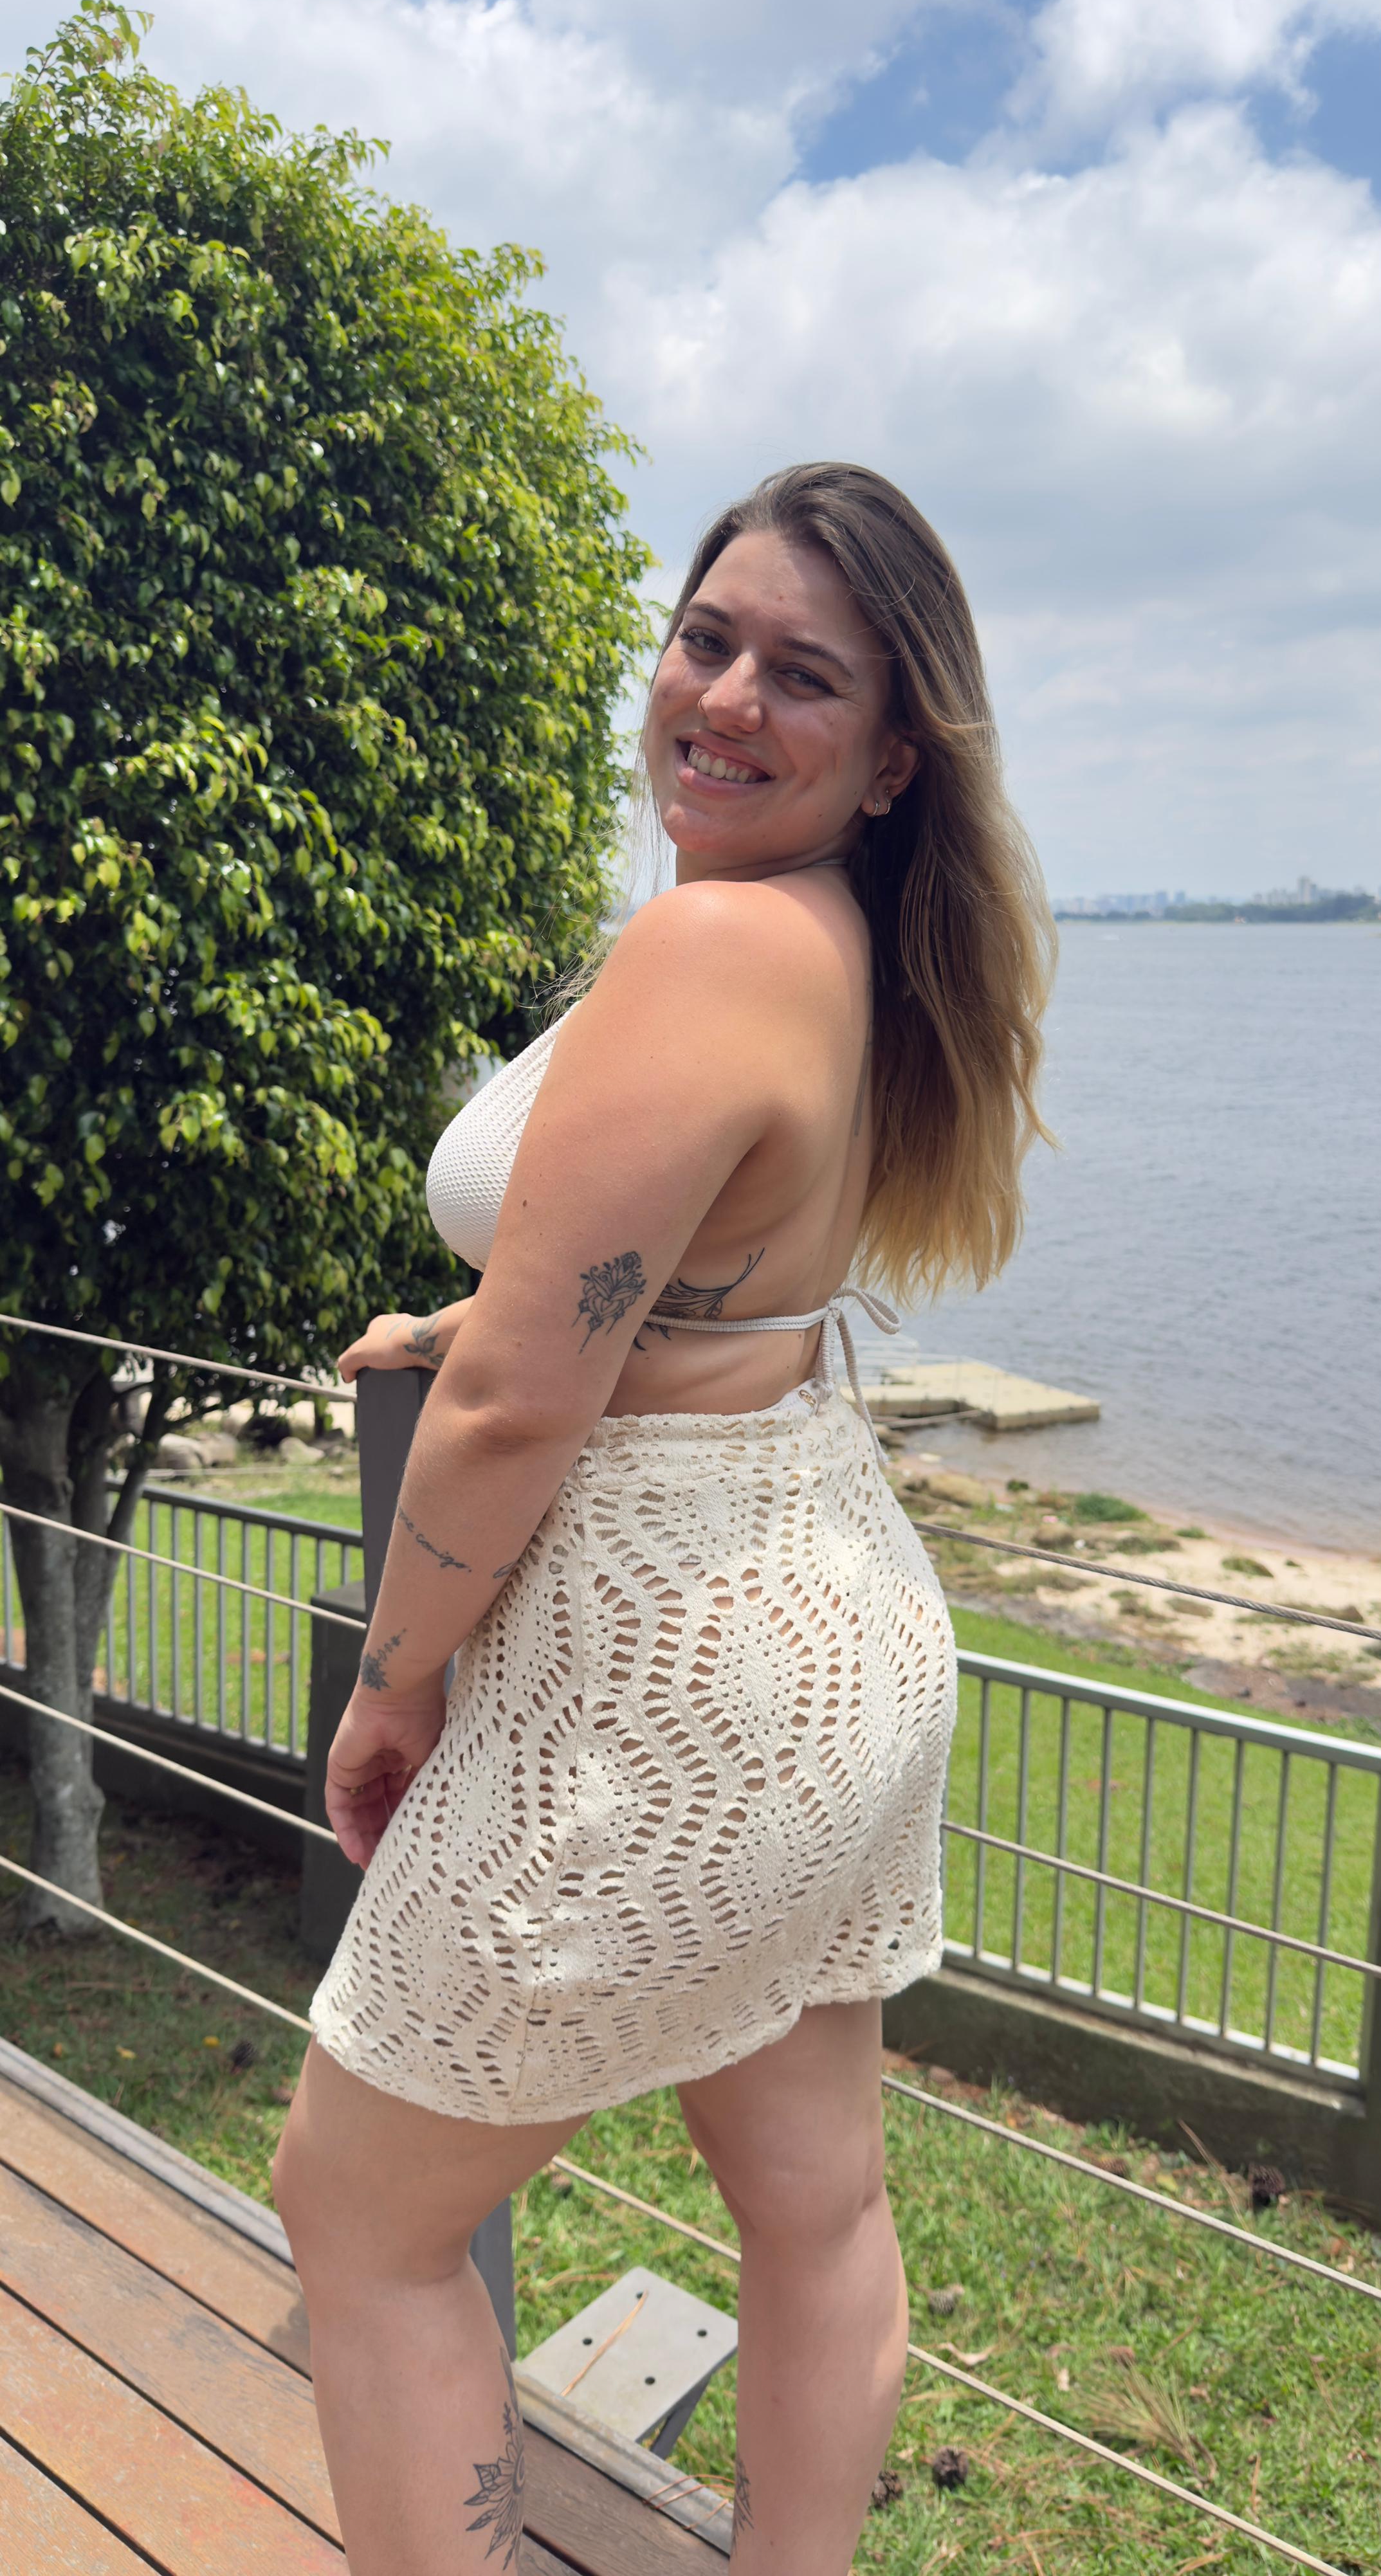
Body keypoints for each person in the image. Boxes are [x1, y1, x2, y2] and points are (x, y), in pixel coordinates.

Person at [273, 460, 1054, 2575]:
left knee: (360, 2215)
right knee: (815, 2208)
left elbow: (524, 1405)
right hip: (826, 1622)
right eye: (705, 640)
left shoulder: (710, 942)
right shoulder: (843, 940)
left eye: (801, 674)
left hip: (664, 1670)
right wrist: (472, 1313)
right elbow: (685, 1280)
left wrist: (394, 1682)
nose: (722, 697)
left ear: (891, 755)